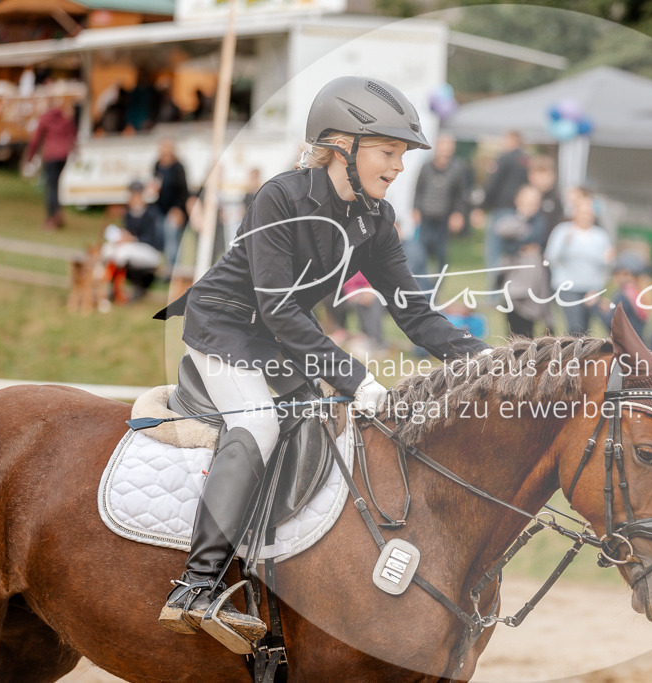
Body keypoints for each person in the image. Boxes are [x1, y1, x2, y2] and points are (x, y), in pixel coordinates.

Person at [153, 76, 491, 642]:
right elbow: (280, 309)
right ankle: (197, 584)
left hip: (281, 339)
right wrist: (357, 379)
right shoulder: (279, 198)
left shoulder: (375, 220)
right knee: (258, 424)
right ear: (343, 146)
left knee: (324, 430)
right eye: (389, 152)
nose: (399, 167)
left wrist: (487, 361)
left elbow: (414, 313)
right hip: (225, 328)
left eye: (403, 155)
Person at [544, 188, 613, 335]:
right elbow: (551, 258)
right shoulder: (562, 231)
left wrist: (607, 262)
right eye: (582, 212)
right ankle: (573, 356)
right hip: (568, 287)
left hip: (591, 289)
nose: (586, 216)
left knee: (589, 329)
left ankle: (587, 357)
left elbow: (607, 265)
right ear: (574, 213)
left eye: (589, 212)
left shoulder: (600, 236)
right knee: (576, 328)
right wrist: (564, 245)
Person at [495, 184, 551, 337]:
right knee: (512, 328)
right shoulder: (508, 219)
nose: (529, 206)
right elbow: (506, 242)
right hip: (511, 278)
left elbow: (536, 237)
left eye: (533, 203)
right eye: (526, 202)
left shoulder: (540, 220)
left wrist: (519, 239)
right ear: (517, 201)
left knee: (527, 329)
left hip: (532, 282)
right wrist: (522, 241)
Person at [411, 133, 468, 272]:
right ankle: (419, 284)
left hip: (443, 219)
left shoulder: (457, 169)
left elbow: (460, 195)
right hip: (425, 218)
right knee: (420, 253)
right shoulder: (426, 167)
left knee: (441, 256)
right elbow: (418, 190)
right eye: (443, 146)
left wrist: (458, 214)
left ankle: (436, 288)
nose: (446, 150)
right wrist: (415, 209)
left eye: (449, 147)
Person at [102, 180, 164, 303]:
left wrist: (133, 239)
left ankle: (120, 291)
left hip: (151, 251)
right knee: (108, 249)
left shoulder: (152, 213)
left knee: (124, 253)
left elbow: (154, 239)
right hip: (132, 248)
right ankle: (112, 288)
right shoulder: (128, 213)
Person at [478, 130, 527, 275]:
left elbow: (493, 184)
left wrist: (482, 207)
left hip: (501, 210)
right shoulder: (525, 160)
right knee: (512, 252)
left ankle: (494, 293)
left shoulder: (504, 158)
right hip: (519, 212)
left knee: (495, 251)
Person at [24, 101, 77, 231]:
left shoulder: (45, 119)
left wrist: (30, 157)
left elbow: (36, 139)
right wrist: (75, 150)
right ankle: (58, 214)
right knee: (56, 185)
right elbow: (72, 134)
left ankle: (51, 218)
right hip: (63, 155)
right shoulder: (65, 119)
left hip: (51, 155)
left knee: (51, 186)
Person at [152, 138, 190, 271]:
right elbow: (156, 185)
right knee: (158, 236)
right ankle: (161, 266)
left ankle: (174, 270)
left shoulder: (178, 168)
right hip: (160, 208)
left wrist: (178, 210)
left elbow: (184, 192)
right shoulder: (157, 165)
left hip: (175, 210)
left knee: (171, 236)